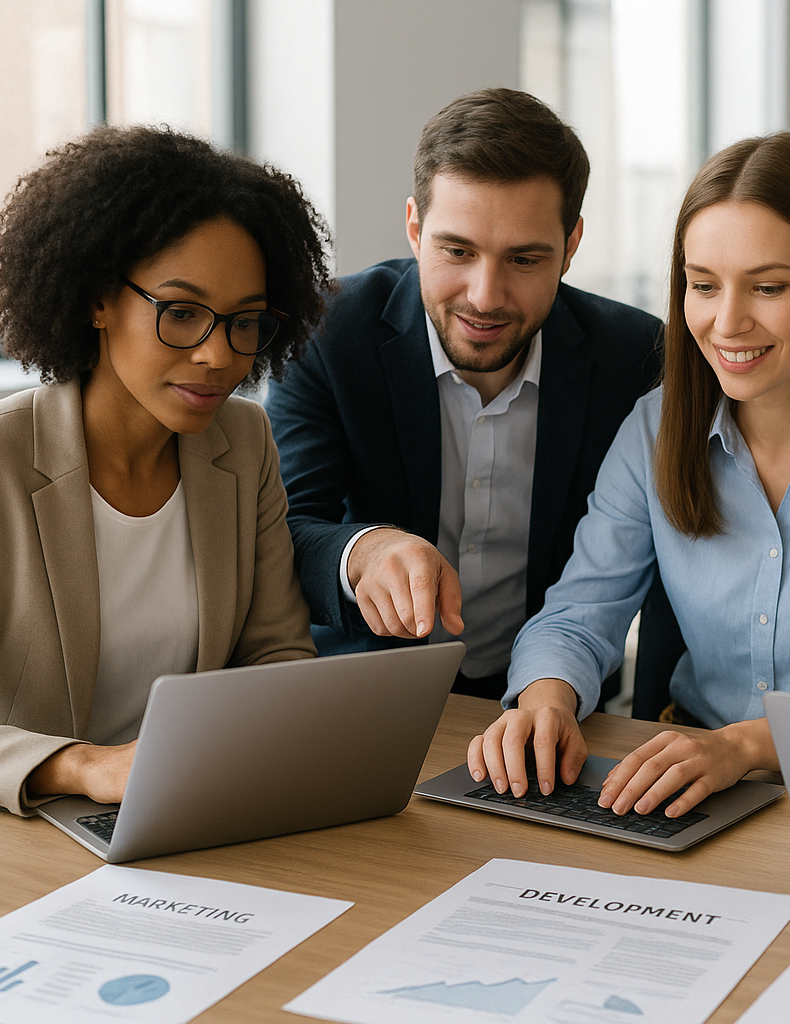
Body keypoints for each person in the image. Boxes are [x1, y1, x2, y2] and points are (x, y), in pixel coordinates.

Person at [469, 132, 790, 818]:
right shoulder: (656, 428)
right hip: (692, 785)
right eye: (703, 286)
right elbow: (576, 617)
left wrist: (742, 749)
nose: (727, 322)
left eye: (768, 287)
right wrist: (544, 702)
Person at [0, 125, 330, 814]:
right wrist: (85, 766)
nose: (218, 356)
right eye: (181, 313)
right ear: (97, 299)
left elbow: (277, 660)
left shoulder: (243, 443)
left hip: (186, 814)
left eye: (244, 322)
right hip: (22, 833)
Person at [266, 88, 661, 701]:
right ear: (414, 227)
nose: (484, 295)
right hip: (359, 701)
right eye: (457, 251)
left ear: (571, 244)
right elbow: (280, 531)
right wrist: (362, 551)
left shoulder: (634, 359)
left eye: (524, 260)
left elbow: (665, 562)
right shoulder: (329, 333)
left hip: (553, 708)